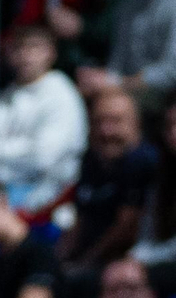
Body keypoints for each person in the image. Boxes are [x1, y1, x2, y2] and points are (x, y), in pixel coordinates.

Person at [0, 25, 88, 214]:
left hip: (47, 192)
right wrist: (20, 150)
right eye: (18, 48)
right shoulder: (0, 98)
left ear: (51, 53)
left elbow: (44, 158)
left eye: (34, 47)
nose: (25, 55)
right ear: (8, 54)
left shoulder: (62, 94)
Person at [60, 89, 162, 272]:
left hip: (127, 264)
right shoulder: (91, 159)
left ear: (136, 124)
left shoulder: (143, 161)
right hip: (89, 259)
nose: (105, 131)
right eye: (99, 121)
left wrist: (84, 264)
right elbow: (80, 220)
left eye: (116, 121)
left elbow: (126, 228)